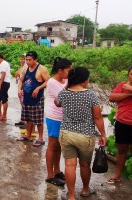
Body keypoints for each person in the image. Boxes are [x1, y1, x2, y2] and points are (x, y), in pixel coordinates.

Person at [56, 67, 106, 200]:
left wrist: (67, 86)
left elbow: (57, 103)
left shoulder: (64, 93)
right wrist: (103, 135)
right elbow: (98, 118)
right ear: (84, 80)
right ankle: (85, 190)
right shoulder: (90, 95)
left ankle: (71, 196)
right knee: (85, 164)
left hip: (66, 133)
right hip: (86, 135)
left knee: (69, 165)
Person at [44, 57, 72, 186]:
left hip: (63, 117)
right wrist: (70, 82)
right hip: (54, 117)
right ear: (60, 70)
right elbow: (64, 96)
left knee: (59, 146)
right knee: (52, 145)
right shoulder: (52, 82)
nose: (70, 72)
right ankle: (50, 175)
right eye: (68, 70)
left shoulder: (64, 79)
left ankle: (57, 170)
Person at [17, 51, 50, 147]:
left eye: (30, 60)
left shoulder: (41, 69)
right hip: (26, 97)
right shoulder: (26, 68)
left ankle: (40, 138)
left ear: (35, 59)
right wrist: (19, 89)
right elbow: (21, 80)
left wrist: (38, 88)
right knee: (28, 117)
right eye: (26, 59)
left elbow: (48, 81)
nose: (27, 62)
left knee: (38, 119)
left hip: (37, 98)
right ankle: (28, 136)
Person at [107, 66, 132, 184]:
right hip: (122, 122)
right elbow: (112, 97)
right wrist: (129, 94)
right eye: (131, 74)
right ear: (128, 74)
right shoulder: (122, 85)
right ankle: (117, 175)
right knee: (122, 150)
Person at [14, 54, 28, 127]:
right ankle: (23, 120)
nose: (22, 60)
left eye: (24, 59)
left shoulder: (26, 67)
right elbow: (16, 75)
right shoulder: (22, 66)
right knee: (22, 104)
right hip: (20, 87)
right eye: (21, 59)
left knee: (24, 104)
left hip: (24, 88)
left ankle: (25, 122)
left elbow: (17, 74)